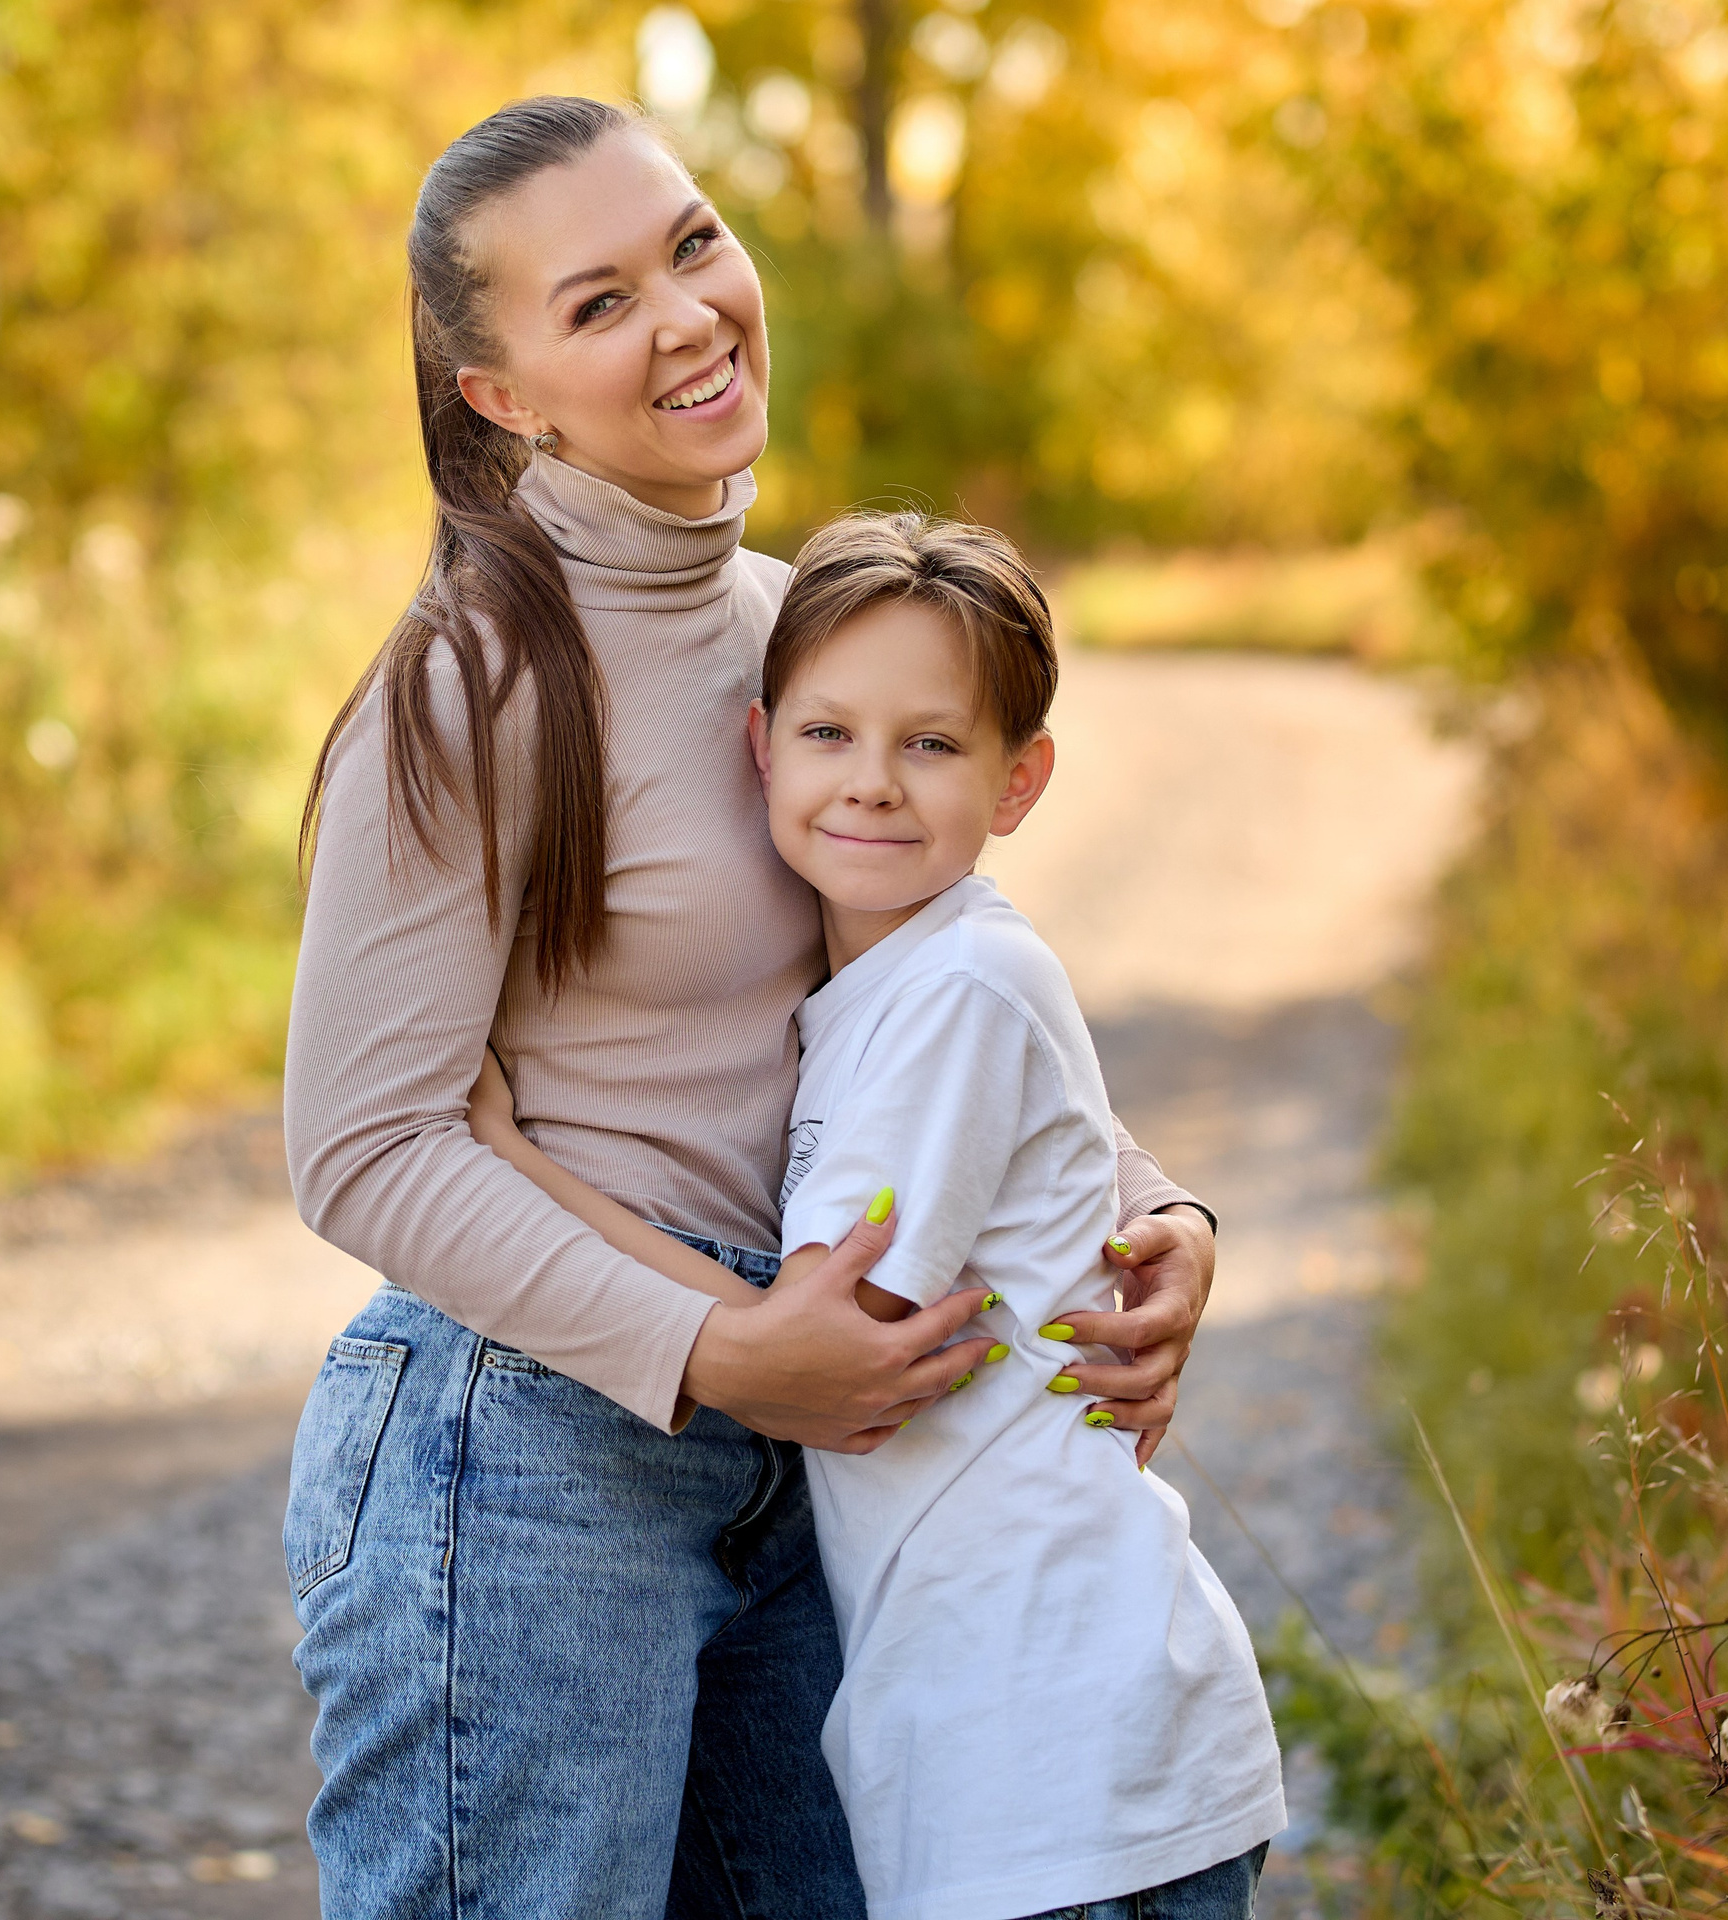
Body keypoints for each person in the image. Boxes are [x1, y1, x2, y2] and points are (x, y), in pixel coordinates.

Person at [282, 95, 1224, 1919]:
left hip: (795, 1462)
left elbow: (935, 970)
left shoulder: (803, 632)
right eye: (599, 300)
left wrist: (1151, 1205)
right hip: (534, 1450)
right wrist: (721, 1355)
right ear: (502, 397)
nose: (690, 315)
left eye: (695, 243)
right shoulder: (468, 686)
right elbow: (360, 1149)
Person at [468, 512, 1283, 1920]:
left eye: (932, 744)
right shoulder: (884, 989)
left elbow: (828, 1351)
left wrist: (511, 1163)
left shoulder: (960, 985)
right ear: (761, 746)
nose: (873, 786)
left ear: (1019, 781)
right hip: (1004, 1763)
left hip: (1068, 1764)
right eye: (831, 734)